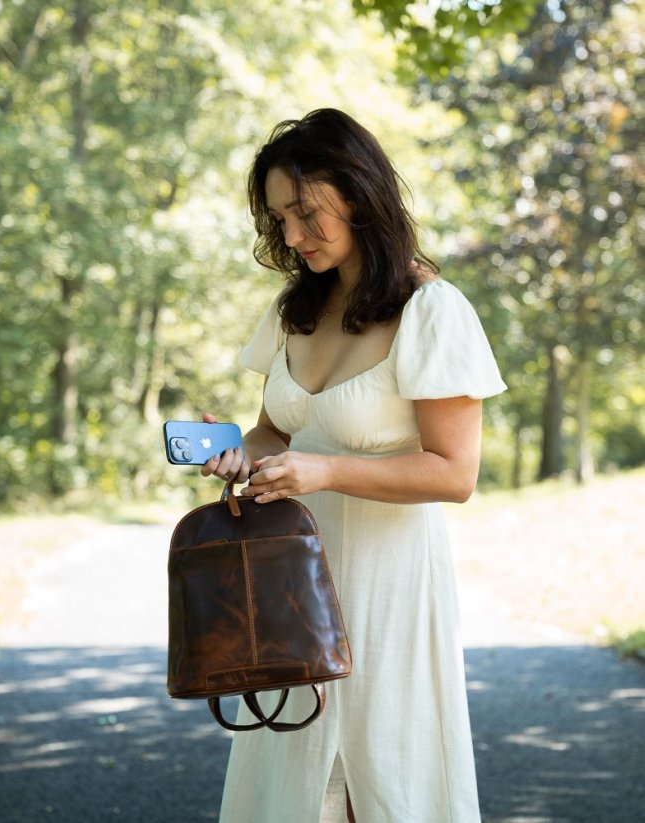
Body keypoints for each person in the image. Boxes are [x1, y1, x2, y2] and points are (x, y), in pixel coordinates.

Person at [201, 108, 506, 822]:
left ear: (360, 195)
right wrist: (235, 452)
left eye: (306, 212)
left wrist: (324, 471)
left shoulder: (430, 311)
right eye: (279, 218)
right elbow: (276, 432)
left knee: (382, 783)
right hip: (287, 590)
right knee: (292, 786)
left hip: (386, 594)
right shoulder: (292, 310)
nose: (292, 235)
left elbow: (453, 474)